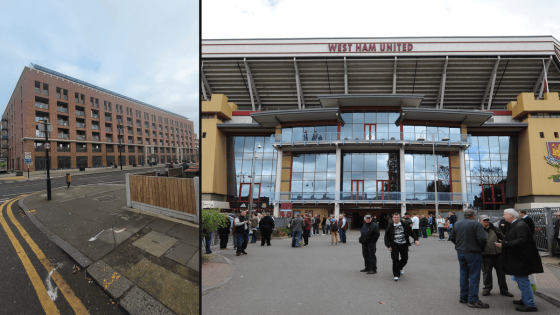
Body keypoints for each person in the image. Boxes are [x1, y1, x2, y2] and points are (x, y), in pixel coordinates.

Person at [496, 209, 543, 312]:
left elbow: (522, 241)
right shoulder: (517, 224)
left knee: (523, 281)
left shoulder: (520, 225)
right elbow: (516, 238)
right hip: (520, 259)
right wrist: (505, 241)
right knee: (521, 281)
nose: (503, 216)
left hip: (522, 259)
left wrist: (504, 244)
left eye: (505, 214)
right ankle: (525, 300)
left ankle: (530, 304)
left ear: (511, 215)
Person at [449, 209, 488, 308]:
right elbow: (483, 239)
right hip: (473, 252)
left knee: (463, 274)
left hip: (461, 252)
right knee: (474, 276)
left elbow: (452, 237)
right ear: (473, 215)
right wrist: (482, 248)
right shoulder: (476, 224)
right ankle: (473, 299)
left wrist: (459, 245)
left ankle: (463, 296)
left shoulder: (457, 224)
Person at [478, 215, 513, 297]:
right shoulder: (478, 229)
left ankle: (504, 289)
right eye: (484, 220)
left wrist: (496, 229)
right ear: (480, 221)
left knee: (501, 273)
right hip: (486, 255)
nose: (486, 222)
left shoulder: (494, 228)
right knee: (487, 273)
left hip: (498, 254)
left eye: (487, 220)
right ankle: (487, 289)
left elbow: (503, 237)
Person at [384, 213, 418, 281]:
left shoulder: (405, 224)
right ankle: (396, 275)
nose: (396, 218)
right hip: (394, 245)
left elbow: (411, 232)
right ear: (392, 218)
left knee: (405, 259)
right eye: (395, 217)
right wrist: (388, 245)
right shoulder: (390, 226)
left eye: (398, 217)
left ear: (399, 218)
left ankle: (400, 267)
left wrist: (416, 239)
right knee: (395, 259)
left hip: (404, 244)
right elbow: (386, 236)